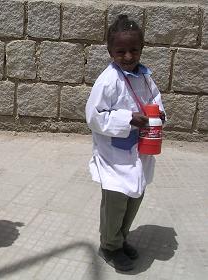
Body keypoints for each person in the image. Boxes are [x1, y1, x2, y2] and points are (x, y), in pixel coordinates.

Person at [85, 15, 165, 271]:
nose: (128, 56)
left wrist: (159, 114)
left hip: (139, 153)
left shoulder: (145, 77)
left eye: (134, 50)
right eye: (121, 51)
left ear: (142, 49)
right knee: (115, 205)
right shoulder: (108, 80)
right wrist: (128, 119)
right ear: (110, 52)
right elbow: (94, 116)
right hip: (115, 158)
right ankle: (109, 246)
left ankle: (120, 239)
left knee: (134, 198)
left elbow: (155, 99)